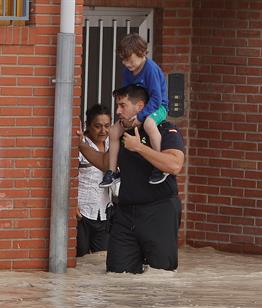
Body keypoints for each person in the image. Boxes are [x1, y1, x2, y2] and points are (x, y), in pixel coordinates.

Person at [105, 84, 186, 274]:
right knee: (116, 275)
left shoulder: (164, 130)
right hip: (126, 213)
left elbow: (174, 165)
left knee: (161, 275)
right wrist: (80, 146)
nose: (118, 111)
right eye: (117, 106)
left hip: (159, 211)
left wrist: (139, 147)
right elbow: (106, 162)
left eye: (123, 106)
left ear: (140, 106)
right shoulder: (121, 133)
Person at [100, 33, 169, 188]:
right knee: (113, 131)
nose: (126, 64)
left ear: (142, 53)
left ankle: (160, 165)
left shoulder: (150, 69)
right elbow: (126, 96)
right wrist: (127, 116)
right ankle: (112, 171)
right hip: (136, 109)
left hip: (157, 108)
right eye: (123, 60)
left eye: (130, 60)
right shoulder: (127, 72)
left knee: (149, 125)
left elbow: (157, 99)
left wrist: (141, 117)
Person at [75, 104, 114, 257]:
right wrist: (72, 204)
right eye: (97, 126)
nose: (103, 131)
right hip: (82, 212)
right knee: (80, 257)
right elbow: (69, 176)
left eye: (107, 126)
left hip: (104, 213)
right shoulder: (80, 145)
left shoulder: (113, 145)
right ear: (88, 126)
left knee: (101, 258)